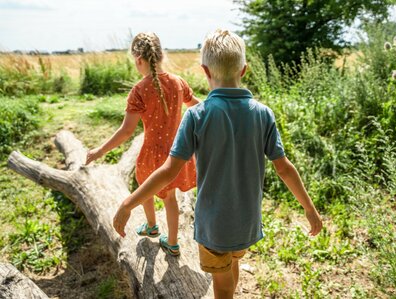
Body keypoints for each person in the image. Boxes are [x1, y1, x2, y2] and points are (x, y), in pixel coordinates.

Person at [113, 29, 322, 298]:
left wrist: (128, 203)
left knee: (222, 285)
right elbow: (284, 168)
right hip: (246, 222)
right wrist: (309, 208)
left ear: (205, 71)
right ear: (244, 70)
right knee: (231, 265)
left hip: (215, 227)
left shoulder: (197, 116)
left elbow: (168, 171)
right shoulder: (263, 114)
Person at [86, 32, 199, 256]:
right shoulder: (178, 82)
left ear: (138, 59)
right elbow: (197, 107)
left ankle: (151, 225)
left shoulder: (139, 90)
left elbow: (126, 130)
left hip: (151, 154)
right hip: (178, 152)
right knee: (170, 198)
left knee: (145, 186)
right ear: (161, 55)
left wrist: (100, 151)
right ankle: (173, 242)